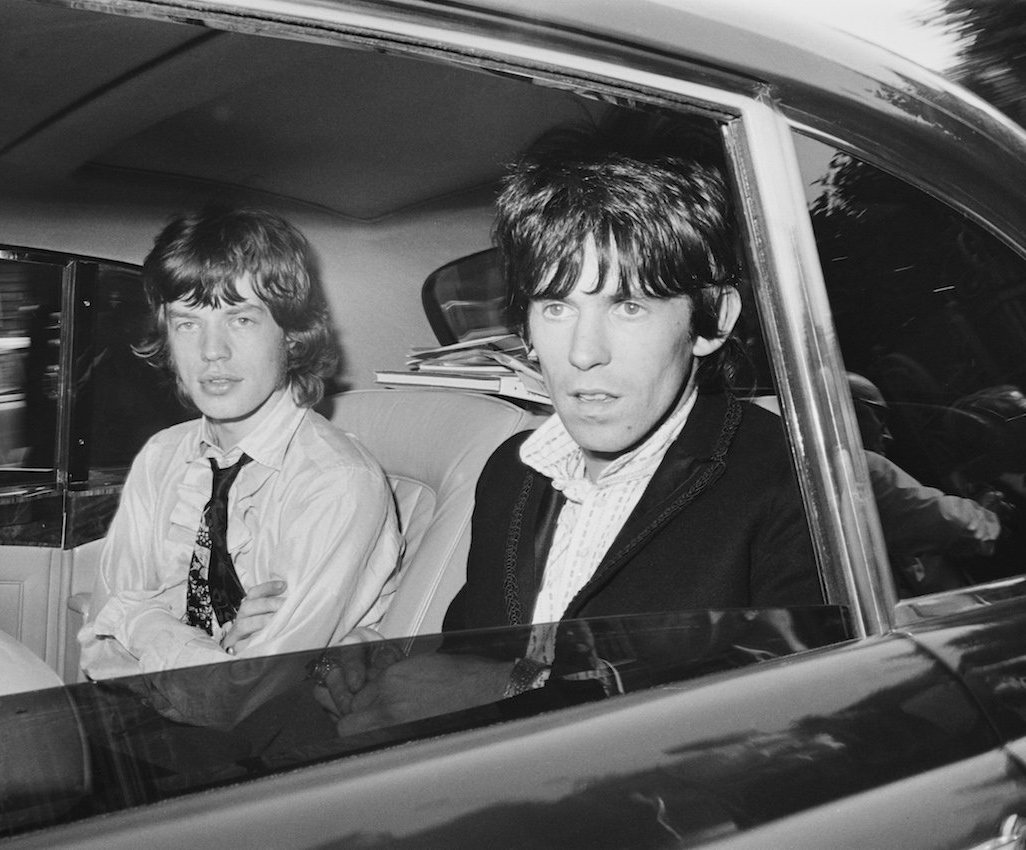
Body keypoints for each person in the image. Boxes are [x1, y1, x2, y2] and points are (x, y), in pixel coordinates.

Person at [318, 128, 823, 732]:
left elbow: (800, 713)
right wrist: (386, 663)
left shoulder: (790, 481)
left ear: (713, 320)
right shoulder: (512, 470)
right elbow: (472, 657)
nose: (583, 353)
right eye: (556, 306)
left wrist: (515, 688)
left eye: (629, 306)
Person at [78, 206, 402, 679]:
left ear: (292, 334)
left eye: (241, 320)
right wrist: (216, 645)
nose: (212, 352)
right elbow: (98, 654)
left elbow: (248, 691)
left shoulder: (336, 483)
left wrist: (140, 622)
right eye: (188, 323)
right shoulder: (161, 457)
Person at [848, 373, 1000, 594]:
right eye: (879, 417)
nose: (888, 436)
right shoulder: (858, 467)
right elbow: (956, 525)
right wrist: (985, 512)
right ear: (847, 412)